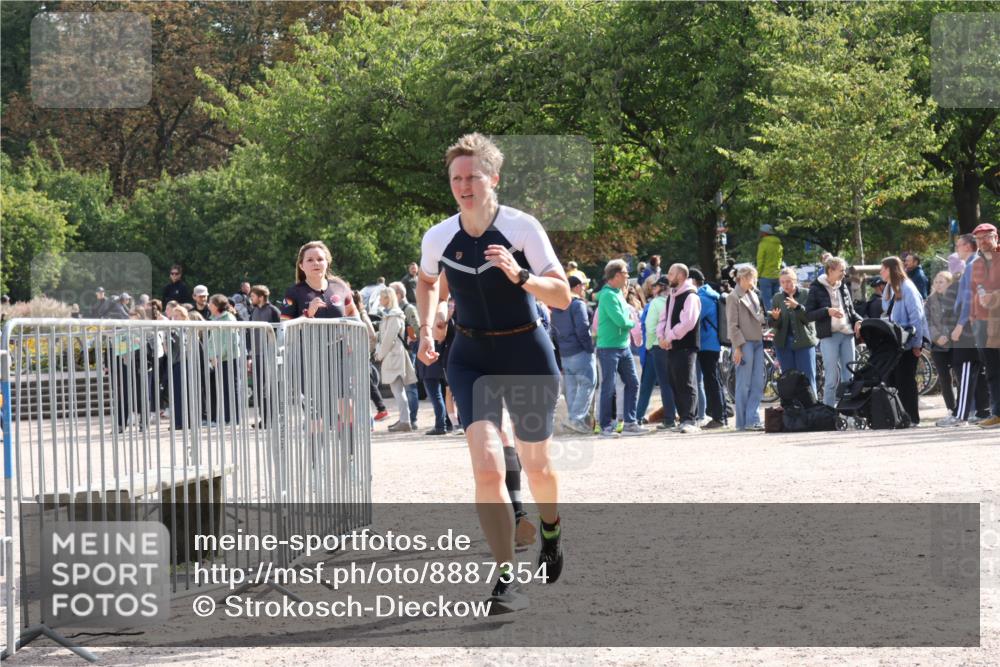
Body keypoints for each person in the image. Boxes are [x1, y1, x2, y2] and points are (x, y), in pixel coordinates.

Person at [415, 132, 570, 613]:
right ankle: (506, 579)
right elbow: (426, 283)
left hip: (526, 349)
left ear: (493, 179)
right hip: (471, 356)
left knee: (538, 464)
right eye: (456, 178)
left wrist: (520, 275)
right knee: (486, 466)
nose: (464, 186)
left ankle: (550, 528)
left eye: (473, 177)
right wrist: (426, 326)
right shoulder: (438, 236)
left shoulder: (522, 228)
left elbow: (562, 295)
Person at [595, 259, 649, 438]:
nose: (628, 276)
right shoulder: (608, 295)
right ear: (617, 275)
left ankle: (630, 423)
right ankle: (605, 427)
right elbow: (620, 320)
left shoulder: (618, 293)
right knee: (608, 386)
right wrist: (634, 322)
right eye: (626, 273)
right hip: (608, 347)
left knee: (633, 382)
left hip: (623, 346)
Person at [942, 234, 991, 426]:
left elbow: (970, 298)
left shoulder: (973, 265)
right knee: (976, 370)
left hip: (969, 324)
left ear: (968, 247)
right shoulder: (971, 265)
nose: (957, 250)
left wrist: (960, 324)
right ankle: (979, 411)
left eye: (959, 246)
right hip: (972, 322)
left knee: (966, 366)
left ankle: (961, 415)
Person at [880, 256, 930, 425]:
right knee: (892, 379)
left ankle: (912, 417)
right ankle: (898, 416)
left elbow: (917, 316)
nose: (881, 272)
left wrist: (917, 343)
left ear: (890, 269)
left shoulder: (907, 287)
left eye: (883, 268)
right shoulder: (889, 287)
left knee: (906, 380)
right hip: (894, 342)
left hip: (908, 341)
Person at [806, 256, 862, 407]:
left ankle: (849, 410)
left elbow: (851, 311)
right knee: (831, 378)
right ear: (830, 271)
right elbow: (808, 314)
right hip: (829, 336)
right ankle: (829, 411)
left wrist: (858, 321)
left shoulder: (843, 286)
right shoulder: (816, 288)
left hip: (847, 335)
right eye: (841, 271)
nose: (844, 274)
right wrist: (827, 311)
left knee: (849, 377)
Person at [656, 263, 702, 433]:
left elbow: (688, 322)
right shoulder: (671, 296)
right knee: (675, 382)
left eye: (671, 273)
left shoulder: (691, 296)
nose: (668, 277)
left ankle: (691, 420)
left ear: (681, 276)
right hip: (671, 346)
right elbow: (663, 319)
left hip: (686, 346)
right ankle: (683, 419)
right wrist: (661, 337)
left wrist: (670, 337)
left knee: (686, 382)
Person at [550, 275, 596, 434]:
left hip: (564, 352)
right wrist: (590, 347)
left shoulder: (556, 307)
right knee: (588, 383)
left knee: (571, 388)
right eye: (582, 286)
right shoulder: (577, 304)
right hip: (579, 350)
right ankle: (575, 419)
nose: (584, 289)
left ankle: (573, 419)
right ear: (576, 287)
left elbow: (554, 333)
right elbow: (583, 328)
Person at [966, 223, 1000, 428]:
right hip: (981, 323)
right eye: (979, 239)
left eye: (987, 237)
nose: (983, 241)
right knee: (992, 370)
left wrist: (994, 297)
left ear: (996, 237)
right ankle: (997, 412)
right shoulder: (976, 263)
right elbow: (971, 292)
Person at [727, 266, 767, 431]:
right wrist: (737, 347)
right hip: (744, 343)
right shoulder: (733, 296)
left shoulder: (753, 295)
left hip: (757, 341)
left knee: (758, 382)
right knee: (744, 383)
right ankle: (742, 422)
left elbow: (759, 317)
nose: (754, 281)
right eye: (752, 278)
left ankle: (752, 419)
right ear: (742, 278)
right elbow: (732, 325)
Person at [767, 267, 818, 395]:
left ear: (795, 280)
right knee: (789, 380)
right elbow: (773, 324)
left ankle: (811, 410)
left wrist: (797, 307)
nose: (786, 285)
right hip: (783, 345)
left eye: (789, 281)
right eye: (783, 282)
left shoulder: (806, 293)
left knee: (807, 378)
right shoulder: (777, 298)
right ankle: (793, 411)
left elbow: (810, 318)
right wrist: (775, 318)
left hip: (804, 342)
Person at [635, 276, 676, 430]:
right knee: (668, 383)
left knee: (651, 384)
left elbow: (648, 325)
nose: (652, 289)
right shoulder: (673, 301)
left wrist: (649, 345)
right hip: (669, 346)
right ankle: (669, 416)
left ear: (661, 287)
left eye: (655, 286)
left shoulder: (655, 303)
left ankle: (641, 417)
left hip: (654, 347)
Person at [280, 241, 356, 320]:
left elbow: (354, 318)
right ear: (301, 266)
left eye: (320, 259)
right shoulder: (293, 292)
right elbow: (284, 326)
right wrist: (307, 314)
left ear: (327, 263)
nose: (315, 263)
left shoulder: (341, 287)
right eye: (310, 260)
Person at [375, 287, 416, 432]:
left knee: (398, 390)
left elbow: (388, 339)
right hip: (393, 354)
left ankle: (405, 421)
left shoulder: (394, 316)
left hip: (393, 355)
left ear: (388, 298)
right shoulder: (391, 315)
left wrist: (379, 354)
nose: (380, 300)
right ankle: (404, 420)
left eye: (382, 297)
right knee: (398, 389)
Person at [690, 269, 727, 429]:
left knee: (711, 381)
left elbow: (693, 320)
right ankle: (721, 415)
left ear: (693, 281)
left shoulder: (702, 298)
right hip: (712, 344)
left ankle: (719, 417)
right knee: (713, 379)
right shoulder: (711, 295)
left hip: (706, 345)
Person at [206, 294, 243, 425]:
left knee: (231, 389)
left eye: (210, 303)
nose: (208, 305)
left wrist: (217, 356)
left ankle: (234, 419)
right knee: (222, 389)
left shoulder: (229, 318)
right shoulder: (214, 319)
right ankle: (226, 418)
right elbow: (211, 341)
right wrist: (211, 356)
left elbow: (229, 341)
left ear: (216, 305)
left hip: (230, 359)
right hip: (218, 359)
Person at [926, 271, 957, 419]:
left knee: (960, 377)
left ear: (950, 284)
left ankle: (963, 409)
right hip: (938, 347)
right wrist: (937, 337)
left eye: (942, 282)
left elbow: (958, 320)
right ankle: (951, 409)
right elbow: (927, 321)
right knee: (945, 378)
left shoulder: (956, 300)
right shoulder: (930, 301)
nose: (938, 284)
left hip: (955, 344)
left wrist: (949, 335)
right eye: (936, 282)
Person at [391, 281, 421, 429]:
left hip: (409, 351)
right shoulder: (395, 309)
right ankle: (406, 418)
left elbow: (417, 329)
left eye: (391, 292)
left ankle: (412, 419)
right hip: (400, 352)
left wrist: (410, 338)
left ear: (398, 294)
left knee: (410, 386)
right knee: (403, 387)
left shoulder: (408, 309)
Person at [756, 223, 783, 310]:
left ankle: (771, 321)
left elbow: (760, 261)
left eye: (761, 232)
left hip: (765, 276)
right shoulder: (778, 244)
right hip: (777, 275)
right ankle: (781, 319)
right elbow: (780, 260)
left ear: (764, 233)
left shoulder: (763, 244)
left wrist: (757, 275)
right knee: (778, 300)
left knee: (768, 301)